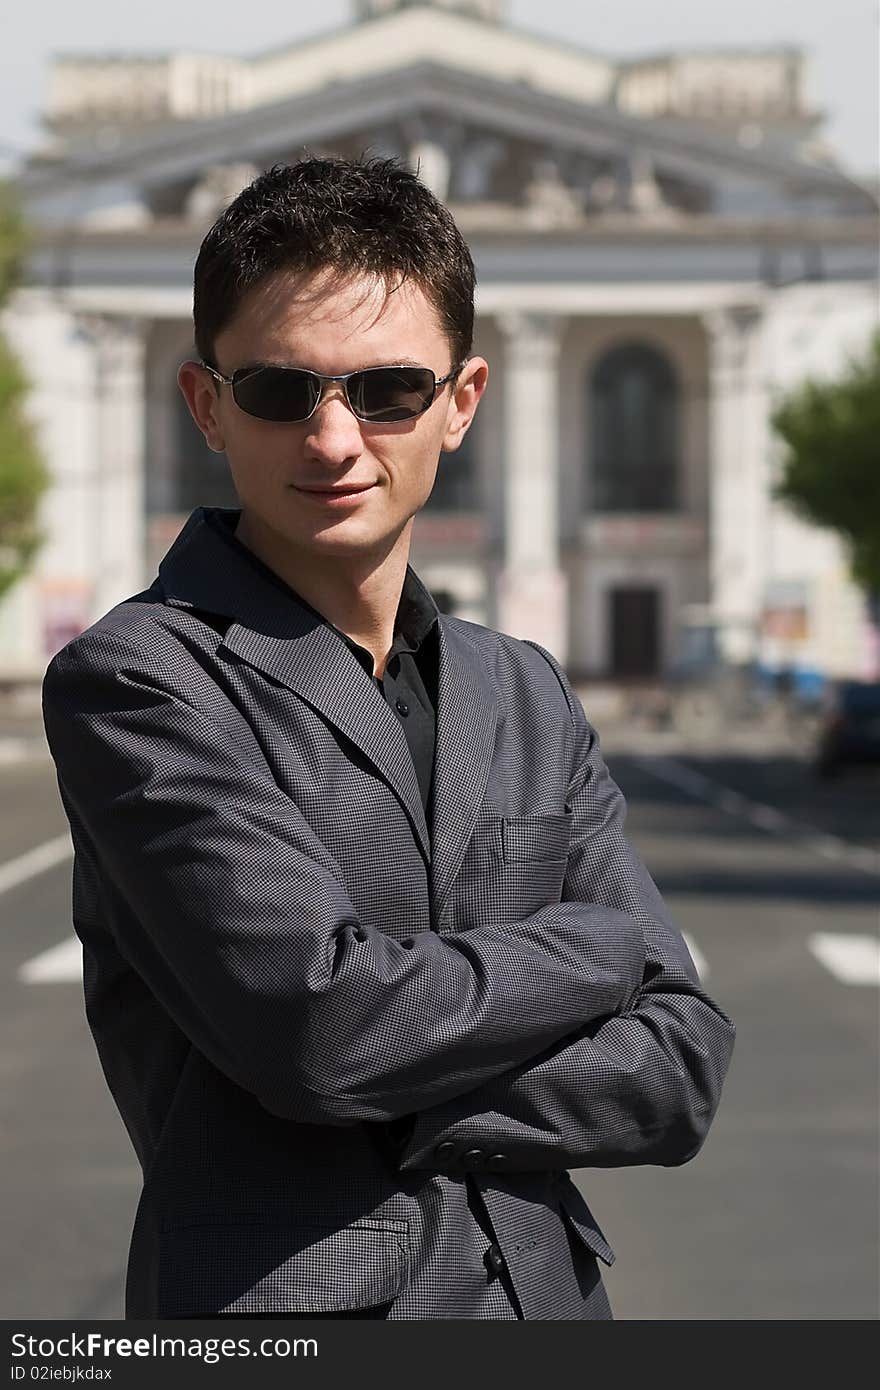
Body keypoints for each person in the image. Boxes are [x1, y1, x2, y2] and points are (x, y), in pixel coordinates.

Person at [41, 157, 735, 1321]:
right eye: (278, 390)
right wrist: (601, 948)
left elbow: (679, 1071)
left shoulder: (522, 691)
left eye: (387, 391)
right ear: (207, 403)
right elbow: (321, 1031)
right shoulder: (139, 679)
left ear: (461, 402)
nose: (333, 438)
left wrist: (389, 1071)